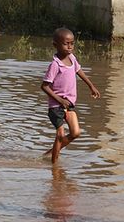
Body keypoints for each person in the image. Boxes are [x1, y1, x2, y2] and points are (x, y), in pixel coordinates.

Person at [41, 27, 100, 163]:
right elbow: (44, 86)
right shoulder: (55, 65)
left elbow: (79, 71)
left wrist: (91, 86)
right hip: (56, 106)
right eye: (65, 43)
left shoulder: (72, 59)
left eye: (72, 43)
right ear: (56, 45)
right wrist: (59, 100)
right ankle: (54, 167)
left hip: (69, 104)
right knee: (60, 135)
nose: (69, 46)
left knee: (76, 133)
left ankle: (51, 152)